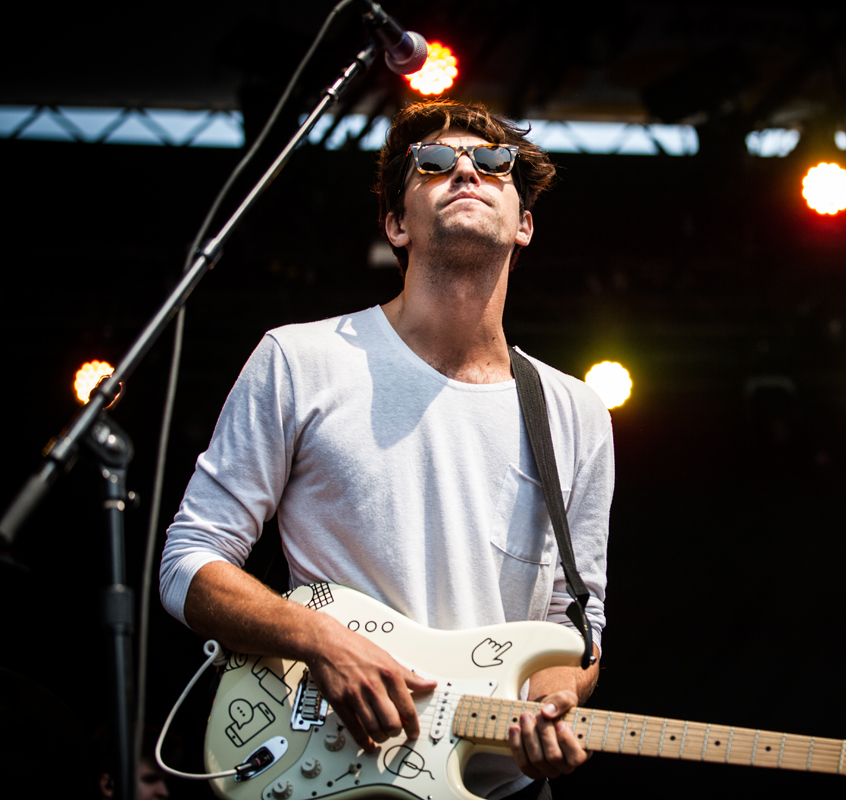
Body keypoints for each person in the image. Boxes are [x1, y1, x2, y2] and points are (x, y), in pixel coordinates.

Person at [159, 100, 614, 800]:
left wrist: (557, 696)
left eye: (495, 165)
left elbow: (575, 621)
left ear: (524, 223)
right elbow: (188, 562)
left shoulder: (574, 410)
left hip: (499, 787)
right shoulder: (300, 358)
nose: (466, 169)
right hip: (333, 768)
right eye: (432, 164)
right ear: (397, 223)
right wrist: (320, 640)